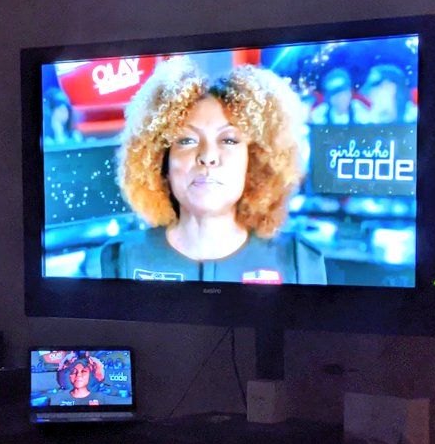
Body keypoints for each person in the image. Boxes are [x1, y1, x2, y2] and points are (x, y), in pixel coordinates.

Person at [100, 57, 326, 284]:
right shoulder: (123, 257)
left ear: (255, 162)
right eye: (187, 140)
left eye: (228, 140)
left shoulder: (298, 262)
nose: (208, 157)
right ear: (161, 162)